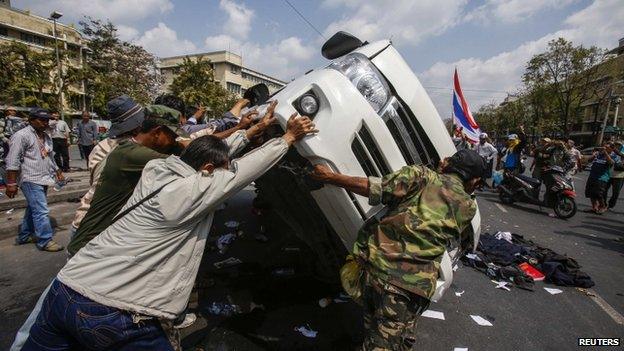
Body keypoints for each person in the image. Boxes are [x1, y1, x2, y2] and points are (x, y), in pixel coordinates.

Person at [22, 107, 316, 350]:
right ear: (208, 173)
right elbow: (238, 175)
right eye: (217, 174)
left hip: (64, 290)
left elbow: (204, 156)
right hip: (117, 312)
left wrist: (247, 135)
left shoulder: (158, 170)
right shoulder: (186, 194)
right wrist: (287, 138)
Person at [310, 149, 484, 350]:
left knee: (375, 335)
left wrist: (330, 177)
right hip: (409, 287)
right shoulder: (468, 207)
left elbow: (374, 188)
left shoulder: (420, 175)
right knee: (389, 343)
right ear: (474, 180)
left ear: (448, 164)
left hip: (376, 272)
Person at [65, 100, 192, 257]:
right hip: (88, 248)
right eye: (173, 136)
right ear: (157, 132)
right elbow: (187, 160)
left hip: (103, 244)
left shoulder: (131, 148)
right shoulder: (132, 154)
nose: (175, 141)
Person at [5, 108, 64, 252]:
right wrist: (11, 183)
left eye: (47, 120)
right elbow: (12, 161)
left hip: (43, 176)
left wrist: (57, 170)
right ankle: (45, 240)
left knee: (34, 208)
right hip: (30, 178)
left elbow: (49, 156)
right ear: (31, 120)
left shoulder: (45, 136)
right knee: (41, 210)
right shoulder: (21, 136)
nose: (45, 123)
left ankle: (24, 236)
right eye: (41, 120)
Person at [585, 142, 617, 214]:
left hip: (602, 178)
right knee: (590, 192)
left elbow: (611, 163)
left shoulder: (613, 155)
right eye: (604, 147)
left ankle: (602, 206)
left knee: (598, 193)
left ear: (611, 149)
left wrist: (605, 153)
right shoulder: (599, 154)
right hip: (592, 176)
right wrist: (594, 155)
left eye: (607, 148)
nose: (604, 148)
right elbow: (589, 160)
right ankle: (594, 207)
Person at [606, 140, 624, 209]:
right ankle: (603, 203)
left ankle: (611, 205)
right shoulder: (610, 150)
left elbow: (621, 154)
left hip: (619, 175)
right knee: (604, 190)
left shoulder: (621, 151)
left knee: (616, 193)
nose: (617, 146)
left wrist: (615, 149)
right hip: (608, 174)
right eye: (616, 144)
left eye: (619, 145)